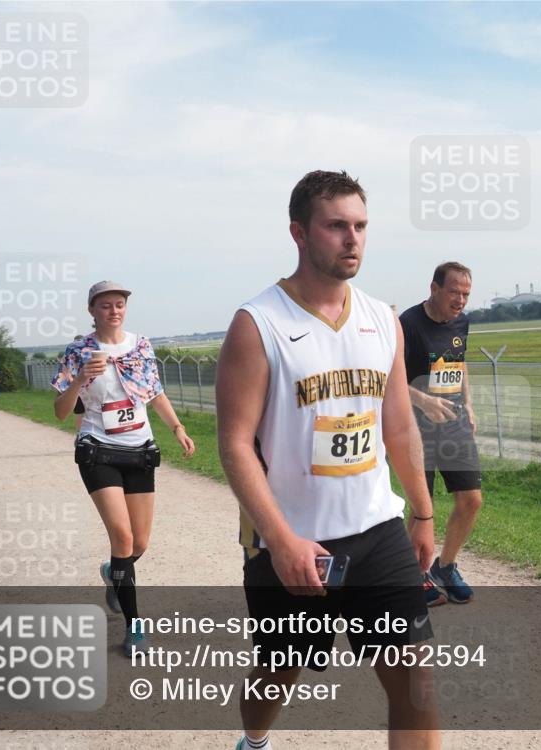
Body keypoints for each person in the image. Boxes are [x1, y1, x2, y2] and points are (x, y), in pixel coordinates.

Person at [216, 170, 439, 750]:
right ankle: (254, 742)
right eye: (337, 225)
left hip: (377, 531)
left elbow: (396, 424)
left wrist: (420, 511)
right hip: (291, 542)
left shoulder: (381, 319)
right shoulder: (258, 324)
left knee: (415, 683)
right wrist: (281, 540)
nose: (353, 239)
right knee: (276, 675)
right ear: (299, 233)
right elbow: (235, 443)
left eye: (361, 226)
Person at [51, 281, 195, 656]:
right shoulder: (78, 351)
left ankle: (112, 572)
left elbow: (154, 391)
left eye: (119, 305)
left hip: (139, 449)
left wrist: (177, 428)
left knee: (140, 543)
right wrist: (81, 378)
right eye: (105, 306)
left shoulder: (141, 345)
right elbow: (61, 411)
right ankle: (135, 628)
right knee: (123, 538)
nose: (113, 311)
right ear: (92, 310)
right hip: (98, 449)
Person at [400, 262, 482, 605]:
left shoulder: (462, 322)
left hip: (454, 423)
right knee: (423, 505)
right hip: (416, 427)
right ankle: (411, 580)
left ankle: (444, 567)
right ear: (434, 289)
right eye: (454, 292)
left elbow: (459, 363)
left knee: (471, 499)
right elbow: (389, 381)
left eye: (465, 294)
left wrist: (469, 404)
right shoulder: (407, 325)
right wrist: (422, 400)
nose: (460, 300)